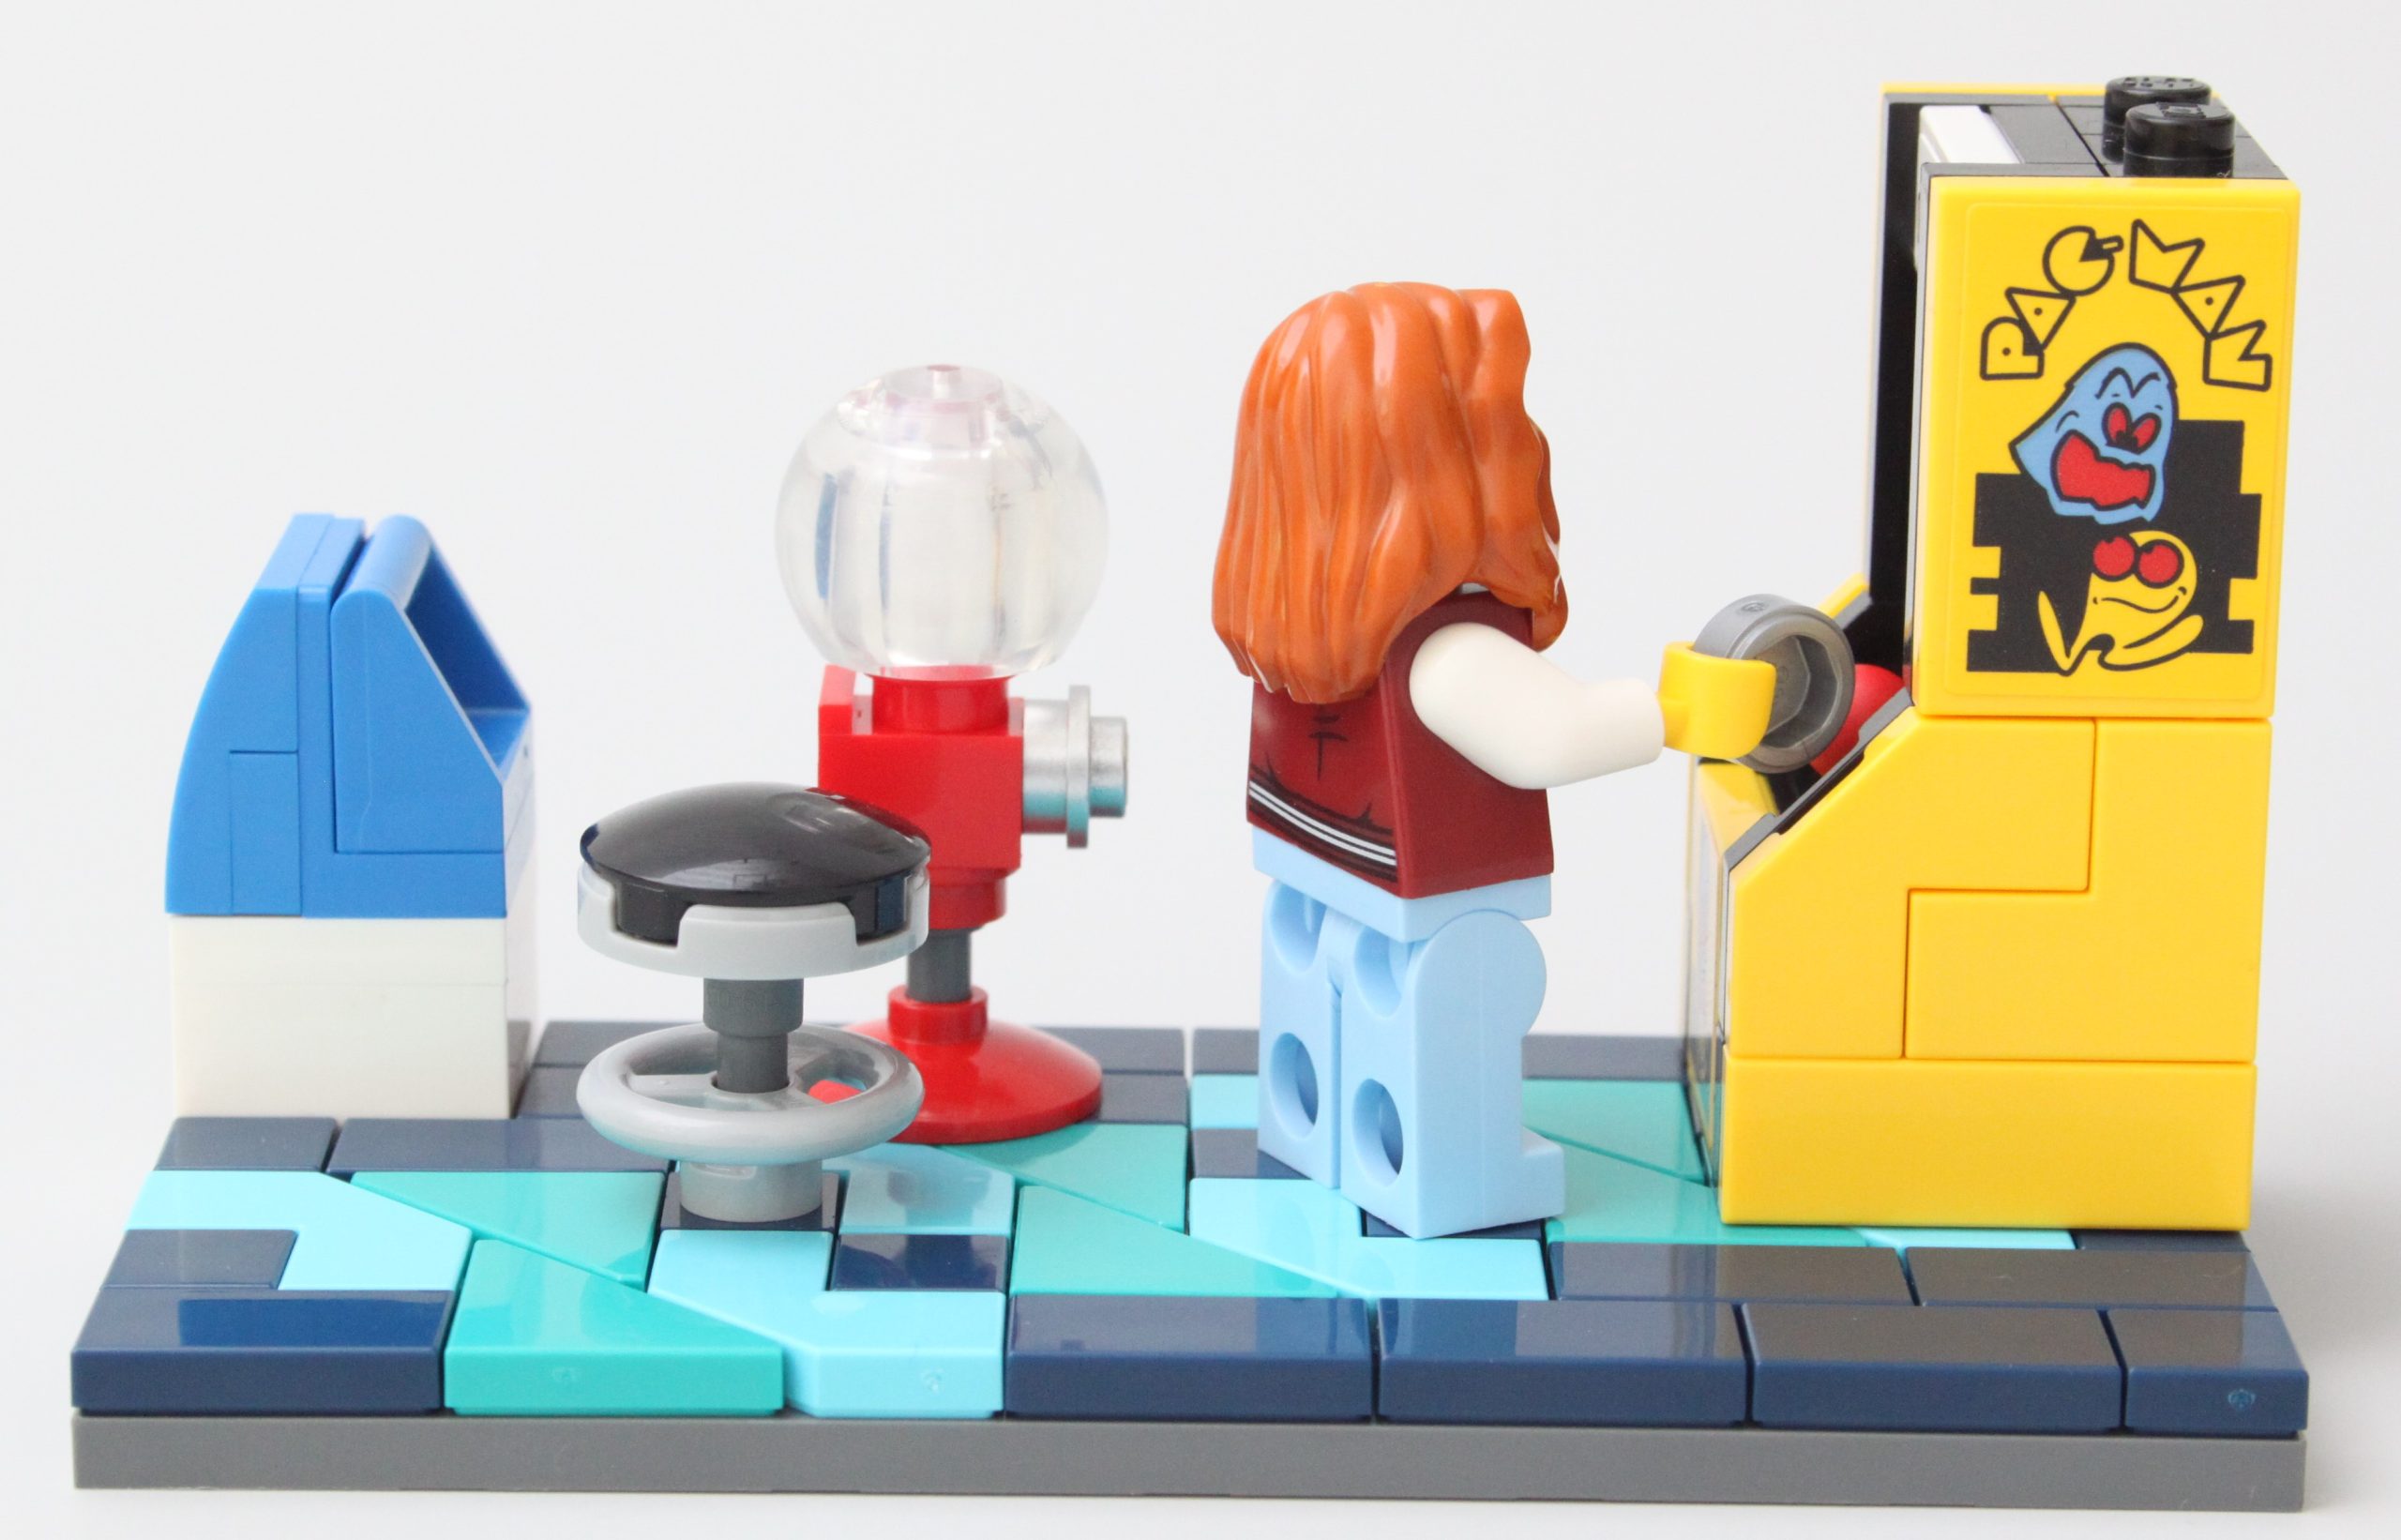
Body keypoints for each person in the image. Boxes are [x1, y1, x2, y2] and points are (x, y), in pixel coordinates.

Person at [1212, 282, 1771, 1236]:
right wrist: (1678, 712)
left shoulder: (1299, 634)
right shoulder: (1448, 647)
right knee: (1446, 1007)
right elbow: (1549, 735)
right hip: (1435, 898)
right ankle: (1455, 1171)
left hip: (1314, 864)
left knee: (1322, 995)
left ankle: (1315, 1130)